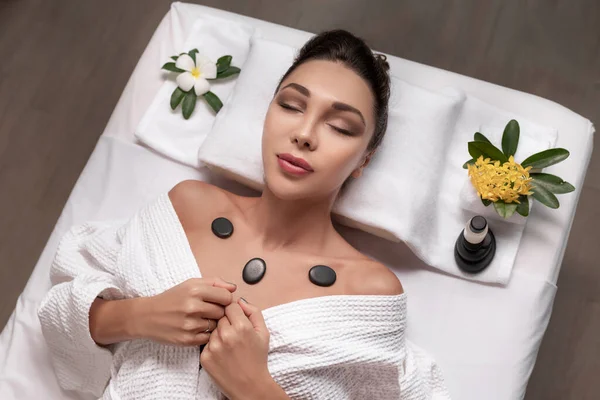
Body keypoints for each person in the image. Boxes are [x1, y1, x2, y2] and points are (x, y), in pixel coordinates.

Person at [39, 30, 449, 399]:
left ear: (364, 159)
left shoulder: (369, 292)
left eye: (340, 127)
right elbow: (60, 309)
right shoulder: (190, 207)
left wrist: (255, 389)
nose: (304, 134)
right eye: (291, 105)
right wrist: (139, 315)